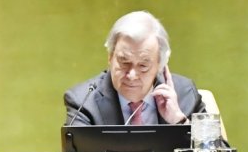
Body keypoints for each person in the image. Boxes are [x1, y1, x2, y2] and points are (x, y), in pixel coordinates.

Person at [64, 11, 205, 126]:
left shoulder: (184, 94)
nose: (131, 75)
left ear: (160, 66)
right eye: (124, 62)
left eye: (143, 66)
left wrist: (179, 121)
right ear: (110, 57)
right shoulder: (83, 101)